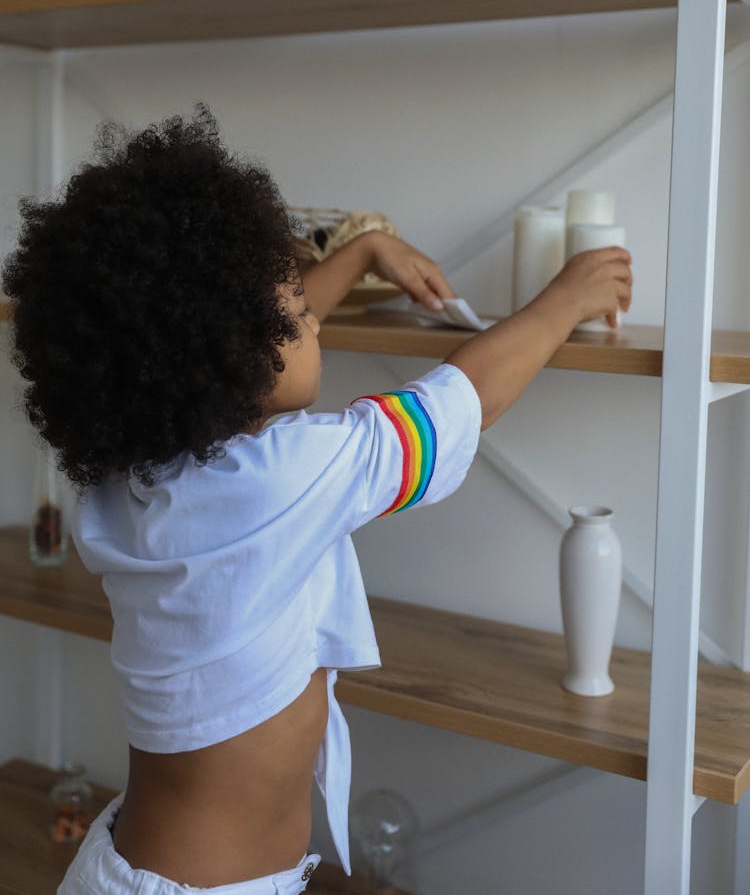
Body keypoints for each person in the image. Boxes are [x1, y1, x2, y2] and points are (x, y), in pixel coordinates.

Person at [2, 106, 632, 895]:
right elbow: (457, 403)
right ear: (233, 353)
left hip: (133, 864)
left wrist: (364, 251)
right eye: (297, 311)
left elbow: (243, 351)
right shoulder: (285, 475)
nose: (311, 317)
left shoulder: (136, 472)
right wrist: (565, 300)